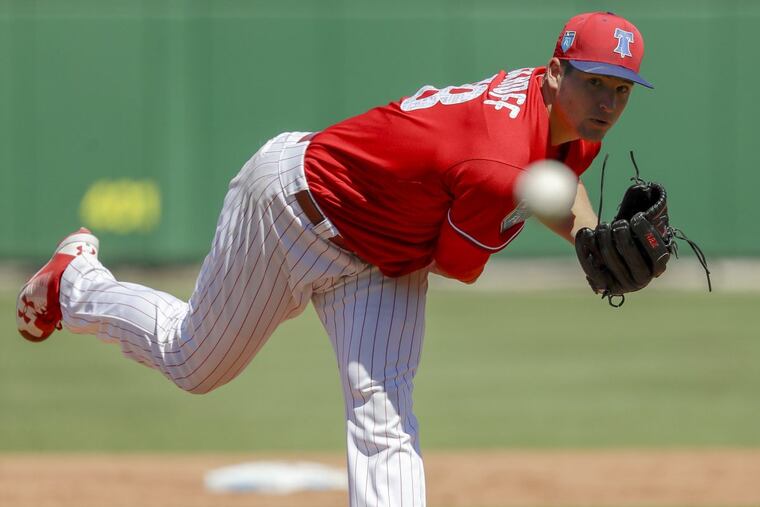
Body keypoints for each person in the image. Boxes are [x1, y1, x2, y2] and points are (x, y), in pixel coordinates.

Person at [16, 11, 652, 507]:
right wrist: (584, 240)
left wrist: (590, 239)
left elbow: (547, 183)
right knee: (193, 362)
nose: (606, 103)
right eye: (594, 82)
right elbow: (460, 258)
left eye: (620, 90)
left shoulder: (566, 126)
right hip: (293, 210)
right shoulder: (497, 159)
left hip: (382, 257)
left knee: (384, 418)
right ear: (553, 72)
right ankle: (78, 281)